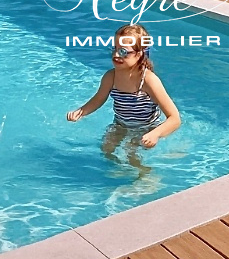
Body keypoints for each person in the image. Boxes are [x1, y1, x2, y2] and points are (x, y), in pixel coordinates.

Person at [67, 24, 181, 170]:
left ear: (139, 54)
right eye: (114, 49)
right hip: (120, 124)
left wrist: (155, 134)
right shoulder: (111, 77)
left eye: (123, 51)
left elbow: (174, 118)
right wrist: (81, 111)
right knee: (106, 149)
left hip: (145, 128)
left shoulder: (148, 80)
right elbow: (99, 99)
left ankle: (145, 174)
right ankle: (119, 170)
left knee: (131, 153)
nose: (116, 55)